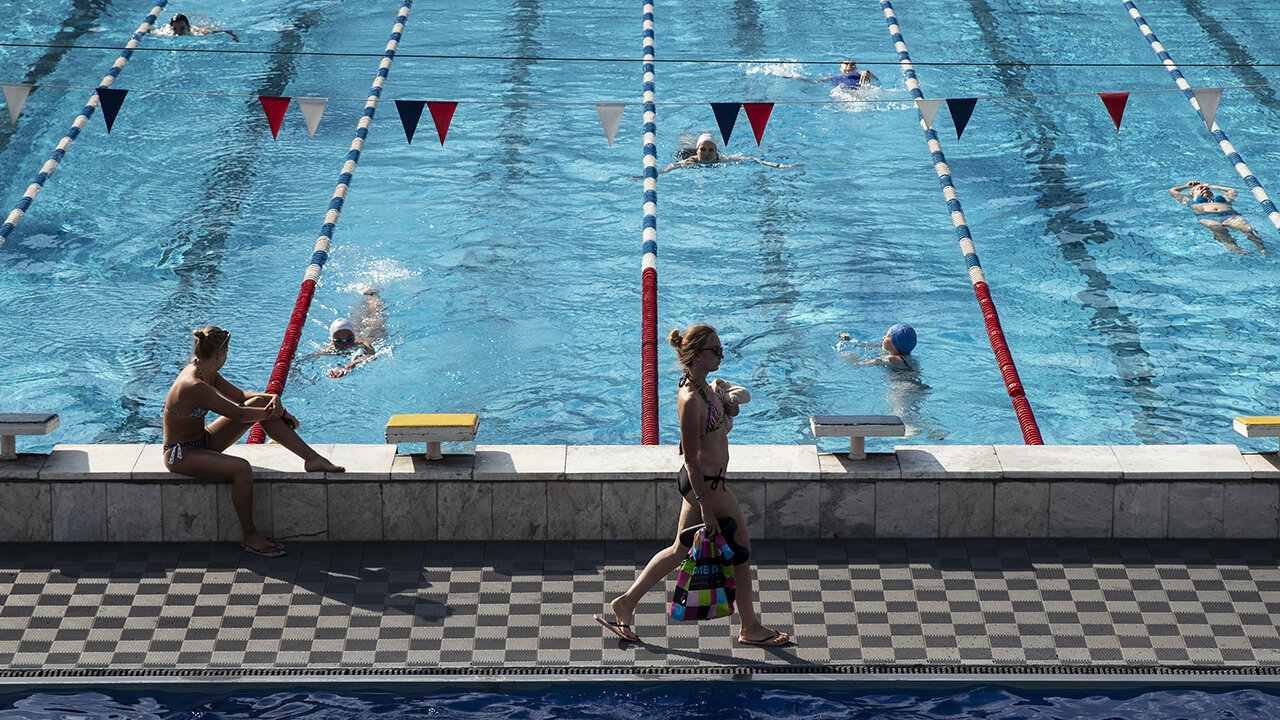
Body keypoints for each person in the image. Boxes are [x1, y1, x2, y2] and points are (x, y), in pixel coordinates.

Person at [594, 325, 791, 647]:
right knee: (741, 553)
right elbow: (689, 457)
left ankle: (626, 602)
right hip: (707, 486)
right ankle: (750, 627)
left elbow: (710, 434)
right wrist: (706, 508)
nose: (721, 355)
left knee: (679, 550)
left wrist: (727, 415)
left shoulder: (703, 388)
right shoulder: (689, 398)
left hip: (708, 483)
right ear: (698, 355)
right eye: (715, 350)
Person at [163, 326, 343, 557]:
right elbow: (237, 414)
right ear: (220, 355)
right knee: (241, 469)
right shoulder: (194, 385)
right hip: (181, 454)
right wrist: (273, 413)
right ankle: (249, 534)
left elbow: (241, 397)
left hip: (202, 441)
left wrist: (274, 401)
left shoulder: (206, 371)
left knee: (259, 402)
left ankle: (312, 458)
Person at [298, 288, 386, 378]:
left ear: (354, 337)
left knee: (376, 318)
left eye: (349, 339)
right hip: (354, 330)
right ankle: (364, 300)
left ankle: (373, 295)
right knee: (358, 317)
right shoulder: (329, 349)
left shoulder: (362, 343)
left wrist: (351, 364)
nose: (345, 344)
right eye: (339, 341)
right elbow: (306, 359)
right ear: (332, 341)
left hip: (367, 335)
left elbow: (371, 354)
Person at [1169, 180, 1266, 254]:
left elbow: (1232, 191)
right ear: (1193, 194)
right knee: (1217, 228)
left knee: (1247, 228)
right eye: (1200, 189)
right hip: (1207, 216)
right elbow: (1173, 191)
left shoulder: (1224, 199)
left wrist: (1212, 186)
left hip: (1229, 215)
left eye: (1207, 189)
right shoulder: (1189, 200)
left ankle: (1261, 248)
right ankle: (1235, 249)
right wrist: (1187, 186)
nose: (1205, 189)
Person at [659, 133, 801, 174]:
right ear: (698, 151)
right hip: (686, 152)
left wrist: (778, 165)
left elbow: (751, 159)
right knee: (684, 142)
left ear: (716, 152)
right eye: (703, 150)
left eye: (710, 151)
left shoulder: (721, 159)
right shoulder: (691, 161)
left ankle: (707, 137)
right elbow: (671, 166)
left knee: (707, 138)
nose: (707, 154)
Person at [841, 323, 916, 366]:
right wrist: (850, 341)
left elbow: (858, 364)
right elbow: (872, 346)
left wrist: (850, 357)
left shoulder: (892, 359)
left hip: (904, 389)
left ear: (894, 343)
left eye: (887, 336)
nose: (883, 337)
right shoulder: (910, 360)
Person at [160, 13, 240, 41]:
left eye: (182, 28)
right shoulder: (166, 32)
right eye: (175, 28)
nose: (178, 32)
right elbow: (150, 31)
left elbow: (225, 31)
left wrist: (233, 36)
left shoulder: (199, 32)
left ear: (188, 28)